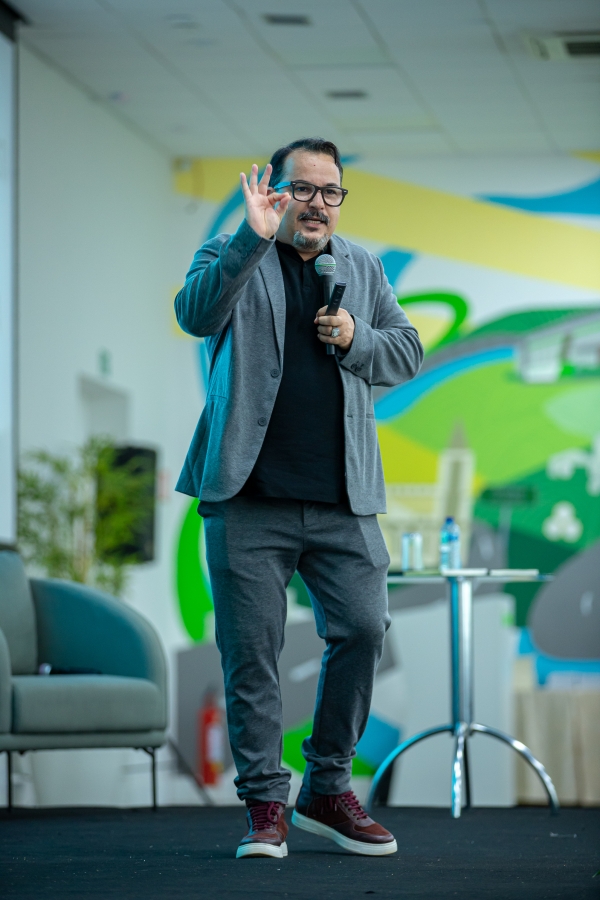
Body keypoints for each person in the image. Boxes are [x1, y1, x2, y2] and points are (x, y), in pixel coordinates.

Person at [175, 137, 423, 859]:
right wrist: (249, 241)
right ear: (276, 193)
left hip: (344, 498)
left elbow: (406, 351)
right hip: (248, 496)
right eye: (302, 189)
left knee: (365, 629)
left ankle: (327, 787)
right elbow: (196, 315)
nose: (317, 203)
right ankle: (265, 806)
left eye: (330, 191)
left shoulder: (363, 268)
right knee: (252, 652)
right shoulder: (231, 251)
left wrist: (357, 338)